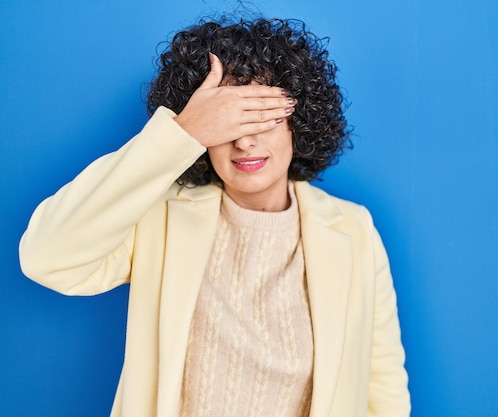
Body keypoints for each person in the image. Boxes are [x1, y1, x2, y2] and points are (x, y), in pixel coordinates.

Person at [19, 16, 410, 417]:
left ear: (300, 120)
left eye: (262, 115)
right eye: (225, 121)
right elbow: (47, 257)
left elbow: (382, 387)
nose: (244, 139)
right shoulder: (159, 217)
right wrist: (181, 132)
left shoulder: (353, 229)